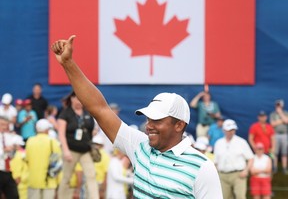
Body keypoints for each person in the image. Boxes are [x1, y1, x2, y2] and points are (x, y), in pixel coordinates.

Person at [51, 35, 223, 198]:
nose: (149, 125)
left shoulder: (202, 167)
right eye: (148, 119)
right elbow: (99, 109)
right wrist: (68, 63)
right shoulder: (140, 147)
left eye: (157, 120)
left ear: (179, 125)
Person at [56, 91, 99, 199]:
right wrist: (65, 150)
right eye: (77, 99)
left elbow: (93, 128)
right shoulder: (65, 113)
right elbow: (61, 134)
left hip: (85, 150)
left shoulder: (87, 112)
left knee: (91, 175)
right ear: (72, 99)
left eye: (81, 99)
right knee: (66, 177)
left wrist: (94, 132)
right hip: (71, 150)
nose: (79, 101)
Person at [214, 119, 254, 199]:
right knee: (224, 197)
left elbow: (251, 158)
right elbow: (215, 161)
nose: (231, 132)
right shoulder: (218, 143)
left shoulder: (241, 142)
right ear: (224, 130)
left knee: (240, 197)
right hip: (223, 175)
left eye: (233, 129)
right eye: (229, 130)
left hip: (238, 175)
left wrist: (246, 170)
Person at [25, 119, 61, 199]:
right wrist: (59, 181)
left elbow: (26, 160)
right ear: (47, 129)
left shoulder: (30, 141)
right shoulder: (53, 141)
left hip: (33, 180)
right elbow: (58, 163)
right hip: (49, 180)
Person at [0, 115, 19, 199]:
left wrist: (13, 149)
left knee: (14, 195)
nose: (5, 127)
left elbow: (11, 156)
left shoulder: (8, 137)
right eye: (2, 124)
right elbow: (4, 151)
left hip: (7, 170)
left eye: (6, 125)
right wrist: (4, 150)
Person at [269, 99, 288, 174]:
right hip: (275, 135)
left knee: (284, 152)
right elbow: (272, 124)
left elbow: (287, 121)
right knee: (274, 152)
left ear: (282, 106)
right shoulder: (272, 114)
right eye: (277, 105)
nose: (278, 106)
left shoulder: (286, 113)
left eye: (279, 105)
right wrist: (281, 120)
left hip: (285, 135)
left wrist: (280, 114)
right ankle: (274, 167)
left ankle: (284, 168)